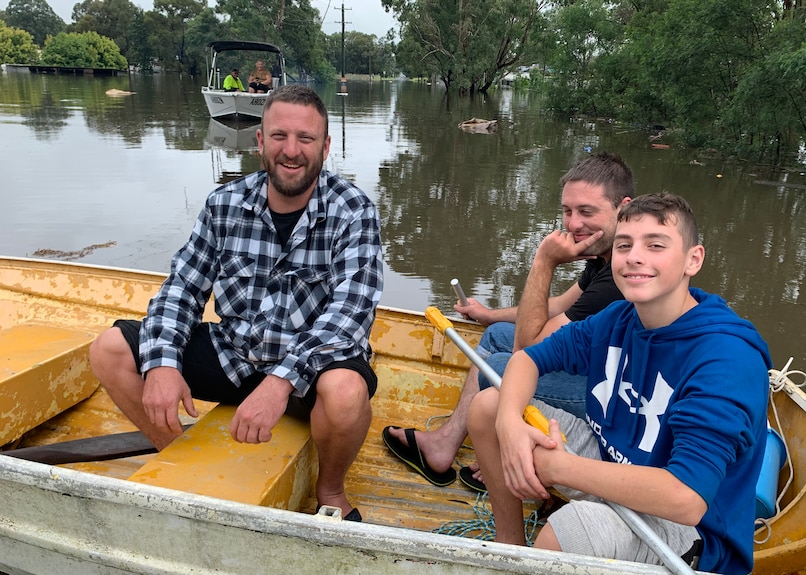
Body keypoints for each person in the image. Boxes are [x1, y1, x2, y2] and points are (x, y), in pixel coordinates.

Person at [89, 85, 384, 522]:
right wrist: (163, 363)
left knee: (346, 392)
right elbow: (183, 289)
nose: (291, 151)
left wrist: (280, 382)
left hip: (311, 368)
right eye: (280, 136)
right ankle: (181, 457)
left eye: (305, 139)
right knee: (110, 350)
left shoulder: (354, 210)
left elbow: (350, 316)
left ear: (325, 147)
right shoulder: (224, 204)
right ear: (260, 141)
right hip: (237, 354)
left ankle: (330, 488)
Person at [468, 193, 771, 574]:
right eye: (624, 245)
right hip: (616, 462)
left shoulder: (727, 358)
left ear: (693, 259)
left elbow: (687, 497)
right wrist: (510, 423)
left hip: (689, 528)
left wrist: (559, 468)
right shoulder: (619, 318)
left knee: (573, 529)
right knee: (488, 407)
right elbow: (528, 357)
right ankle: (510, 551)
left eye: (655, 245)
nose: (635, 257)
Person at [382, 153, 634, 489]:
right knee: (499, 333)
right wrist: (488, 314)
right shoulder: (607, 253)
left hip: (613, 398)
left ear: (623, 208)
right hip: (598, 367)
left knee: (503, 367)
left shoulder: (624, 271)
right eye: (567, 211)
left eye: (587, 212)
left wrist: (544, 261)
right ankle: (445, 444)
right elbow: (559, 305)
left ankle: (510, 454)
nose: (573, 225)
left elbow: (526, 348)